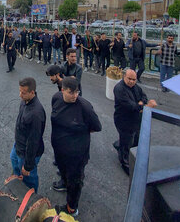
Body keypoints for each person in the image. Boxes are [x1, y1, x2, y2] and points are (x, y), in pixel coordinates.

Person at [50, 77, 102, 218]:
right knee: (63, 171)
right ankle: (64, 183)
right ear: (62, 90)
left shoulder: (84, 106)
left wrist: (81, 131)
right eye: (70, 92)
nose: (74, 96)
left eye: (77, 92)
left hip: (76, 154)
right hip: (59, 149)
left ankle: (71, 208)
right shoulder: (56, 98)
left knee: (75, 180)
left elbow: (97, 126)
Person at [113, 69, 157, 174]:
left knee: (135, 139)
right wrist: (144, 105)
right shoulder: (119, 89)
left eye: (134, 79)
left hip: (135, 119)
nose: (132, 81)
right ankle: (125, 163)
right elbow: (131, 106)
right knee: (127, 141)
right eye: (129, 79)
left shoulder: (136, 87)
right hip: (124, 120)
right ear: (124, 77)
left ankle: (120, 145)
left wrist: (141, 103)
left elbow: (144, 96)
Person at [11, 77, 46, 192]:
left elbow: (33, 142)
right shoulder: (25, 101)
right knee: (15, 166)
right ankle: (18, 189)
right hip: (18, 146)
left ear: (32, 92)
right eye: (20, 91)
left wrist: (28, 165)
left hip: (27, 153)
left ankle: (31, 199)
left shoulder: (36, 113)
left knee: (29, 178)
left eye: (23, 93)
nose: (20, 95)